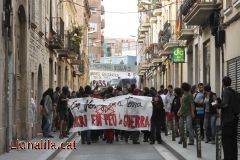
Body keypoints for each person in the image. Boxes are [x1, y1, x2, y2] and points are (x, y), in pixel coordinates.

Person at [220, 76, 238, 160]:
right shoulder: (234, 91)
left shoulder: (226, 91)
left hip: (227, 119)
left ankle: (227, 157)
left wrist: (217, 105)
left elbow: (225, 104)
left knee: (226, 140)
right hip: (235, 118)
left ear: (223, 83)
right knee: (233, 139)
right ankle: (234, 157)